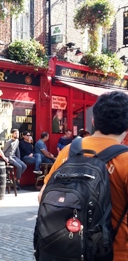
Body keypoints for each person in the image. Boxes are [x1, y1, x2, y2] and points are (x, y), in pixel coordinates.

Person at [39, 91, 128, 260]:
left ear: (93, 121)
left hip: (69, 251)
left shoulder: (68, 151)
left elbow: (42, 196)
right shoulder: (125, 159)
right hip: (115, 253)